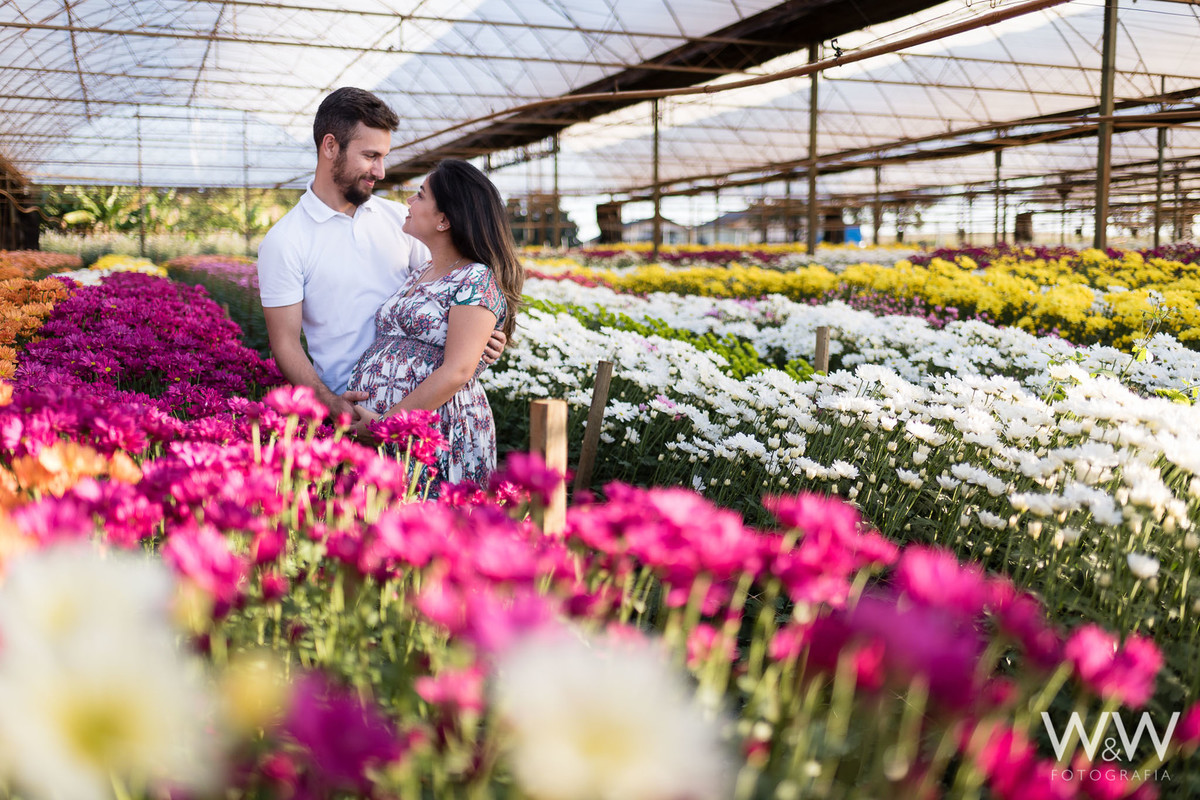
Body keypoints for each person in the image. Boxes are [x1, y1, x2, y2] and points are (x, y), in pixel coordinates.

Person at [257, 87, 504, 421]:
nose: (381, 171)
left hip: (424, 411)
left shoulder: (401, 222)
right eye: (371, 156)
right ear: (330, 146)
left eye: (384, 157)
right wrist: (330, 403)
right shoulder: (285, 240)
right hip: (352, 410)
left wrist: (483, 337)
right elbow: (285, 343)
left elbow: (448, 288)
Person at [346, 159, 523, 488]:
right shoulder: (420, 271)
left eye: (420, 195)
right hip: (388, 430)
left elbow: (457, 370)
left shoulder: (477, 278)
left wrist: (386, 426)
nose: (409, 203)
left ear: (443, 220)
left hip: (434, 430)